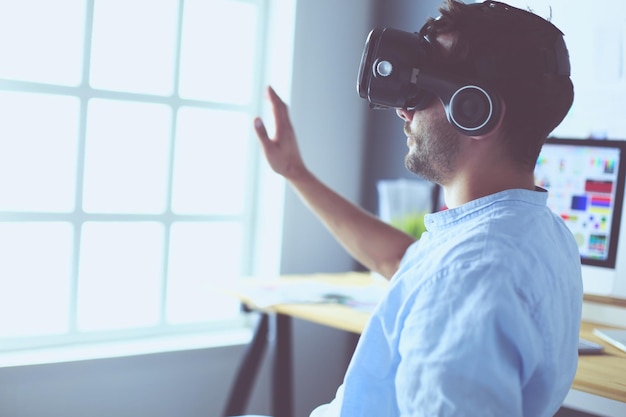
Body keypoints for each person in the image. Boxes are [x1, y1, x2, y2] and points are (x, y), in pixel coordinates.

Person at [253, 1, 582, 416]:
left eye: (421, 90)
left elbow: (450, 279)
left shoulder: (470, 275)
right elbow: (401, 260)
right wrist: (296, 173)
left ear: (474, 110)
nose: (403, 109)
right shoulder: (536, 231)